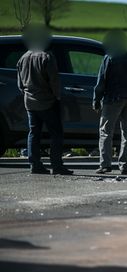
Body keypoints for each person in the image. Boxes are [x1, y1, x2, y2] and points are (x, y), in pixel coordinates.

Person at [17, 25, 73, 175]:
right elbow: (54, 81)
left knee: (33, 133)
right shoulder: (47, 57)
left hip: (29, 102)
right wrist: (57, 96)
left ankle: (34, 165)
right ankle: (57, 165)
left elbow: (20, 84)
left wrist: (28, 93)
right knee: (56, 133)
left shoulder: (23, 58)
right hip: (47, 102)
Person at [93, 30, 127, 175]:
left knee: (105, 133)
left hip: (112, 99)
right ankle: (125, 166)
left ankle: (105, 165)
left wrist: (96, 99)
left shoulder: (109, 58)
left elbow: (101, 82)